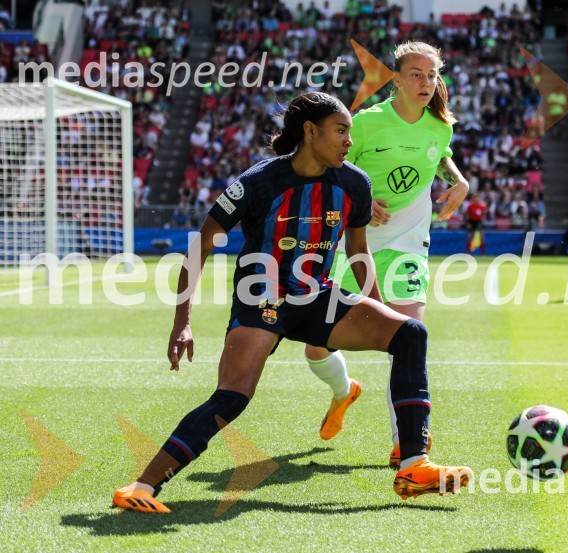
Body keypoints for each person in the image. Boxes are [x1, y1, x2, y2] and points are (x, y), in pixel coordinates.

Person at [112, 92, 472, 513]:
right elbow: (201, 246)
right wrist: (182, 322)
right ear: (310, 131)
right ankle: (141, 487)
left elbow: (359, 253)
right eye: (341, 131)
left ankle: (413, 466)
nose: (349, 141)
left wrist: (379, 310)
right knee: (232, 397)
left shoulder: (355, 183)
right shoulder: (259, 182)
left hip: (317, 296)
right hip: (260, 301)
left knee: (409, 333)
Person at [303, 41, 469, 469]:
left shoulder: (440, 126)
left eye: (432, 75)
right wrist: (361, 201)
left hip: (408, 244)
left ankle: (407, 445)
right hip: (354, 243)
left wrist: (459, 181)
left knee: (409, 337)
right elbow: (330, 167)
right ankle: (344, 391)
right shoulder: (366, 123)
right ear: (396, 79)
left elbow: (441, 154)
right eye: (416, 74)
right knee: (315, 348)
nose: (425, 83)